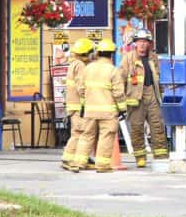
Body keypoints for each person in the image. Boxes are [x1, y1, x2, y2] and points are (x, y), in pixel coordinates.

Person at [70, 39, 126, 173]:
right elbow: (118, 93)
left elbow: (81, 89)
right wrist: (123, 109)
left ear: (98, 53)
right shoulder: (113, 70)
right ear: (111, 54)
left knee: (86, 136)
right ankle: (102, 166)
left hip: (89, 111)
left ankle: (77, 163)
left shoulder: (88, 68)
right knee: (106, 136)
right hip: (108, 112)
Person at [120, 29, 168, 168]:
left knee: (158, 127)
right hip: (135, 98)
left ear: (149, 44)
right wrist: (121, 100)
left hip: (152, 95)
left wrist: (161, 95)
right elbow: (121, 79)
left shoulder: (154, 58)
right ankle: (140, 158)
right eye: (139, 42)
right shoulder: (128, 58)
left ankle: (161, 156)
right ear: (135, 43)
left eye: (144, 42)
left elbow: (158, 78)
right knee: (136, 128)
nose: (141, 45)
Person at [60, 37, 94, 170]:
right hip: (79, 107)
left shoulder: (74, 63)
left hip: (74, 106)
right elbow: (81, 87)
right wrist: (89, 100)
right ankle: (68, 158)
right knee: (79, 133)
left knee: (80, 133)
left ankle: (81, 157)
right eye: (91, 52)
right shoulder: (80, 65)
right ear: (86, 53)